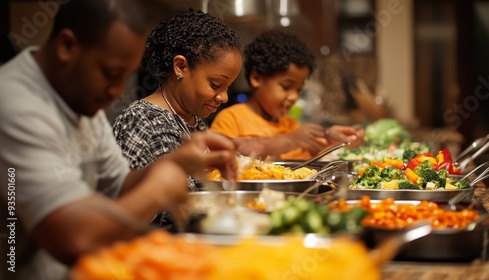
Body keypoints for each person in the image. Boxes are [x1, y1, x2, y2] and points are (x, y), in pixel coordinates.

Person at [0, 1, 236, 280]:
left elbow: (118, 186)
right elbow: (73, 239)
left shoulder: (79, 97)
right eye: (111, 74)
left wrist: (177, 161)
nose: (116, 92)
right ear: (66, 46)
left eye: (124, 77)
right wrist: (159, 187)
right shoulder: (14, 104)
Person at [112, 9, 242, 192]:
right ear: (180, 67)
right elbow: (140, 204)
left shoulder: (193, 119)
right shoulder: (143, 121)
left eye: (228, 87)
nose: (224, 97)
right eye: (215, 84)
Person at [210, 30, 365, 159]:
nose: (294, 97)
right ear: (256, 78)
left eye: (299, 90)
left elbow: (316, 156)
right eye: (286, 87)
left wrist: (338, 142)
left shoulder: (290, 125)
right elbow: (215, 155)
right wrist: (289, 140)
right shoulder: (231, 119)